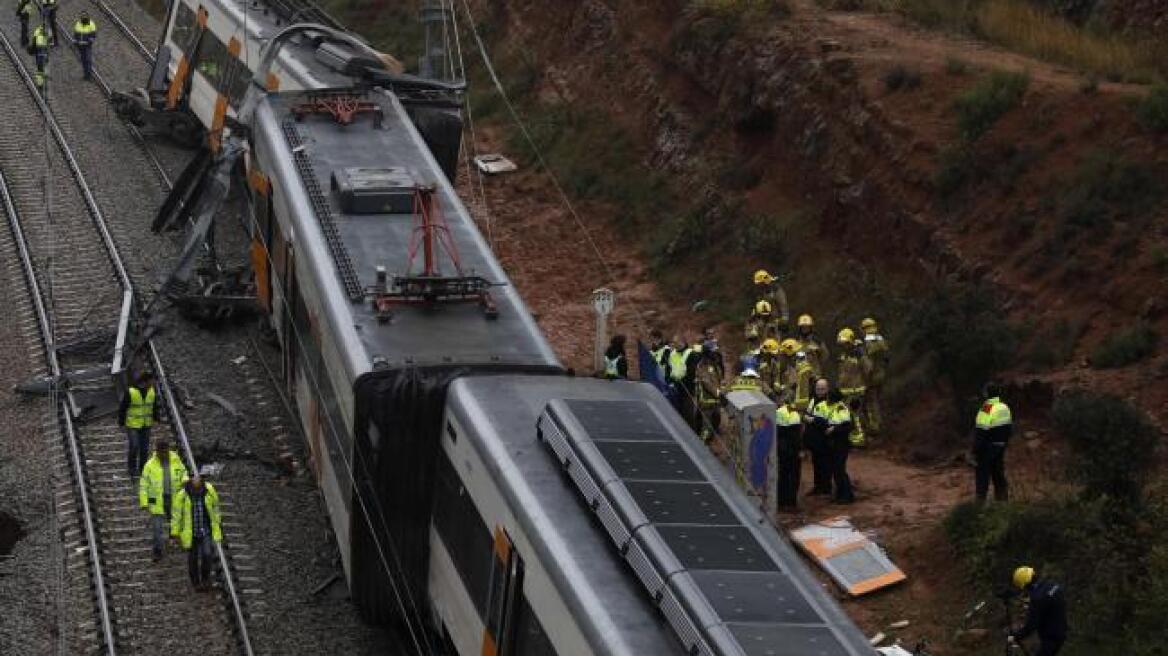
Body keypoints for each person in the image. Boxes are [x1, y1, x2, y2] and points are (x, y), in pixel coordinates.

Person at [139, 439, 189, 561]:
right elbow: (144, 484)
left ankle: (177, 540)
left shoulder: (176, 460)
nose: (163, 454)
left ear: (168, 450)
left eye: (165, 452)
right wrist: (144, 502)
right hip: (156, 501)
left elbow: (183, 472)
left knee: (177, 523)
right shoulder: (150, 465)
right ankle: (157, 550)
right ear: (157, 452)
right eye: (161, 452)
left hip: (174, 498)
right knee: (157, 528)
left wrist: (185, 480)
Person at [172, 474, 222, 591]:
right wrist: (175, 533)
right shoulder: (182, 495)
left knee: (207, 554)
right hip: (190, 532)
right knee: (193, 559)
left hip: (205, 530)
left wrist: (217, 521)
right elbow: (177, 515)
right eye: (195, 488)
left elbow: (215, 507)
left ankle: (205, 579)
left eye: (199, 488)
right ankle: (196, 582)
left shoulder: (209, 490)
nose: (197, 491)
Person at [1009, 566, 1067, 656]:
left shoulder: (1037, 599)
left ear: (1025, 585)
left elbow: (1031, 626)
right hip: (1061, 630)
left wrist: (1016, 636)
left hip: (1051, 637)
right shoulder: (1052, 585)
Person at [973, 382, 1013, 502]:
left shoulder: (986, 408)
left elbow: (981, 430)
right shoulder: (1004, 406)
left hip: (987, 447)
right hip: (1000, 446)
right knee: (998, 475)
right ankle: (1003, 502)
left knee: (982, 476)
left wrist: (976, 449)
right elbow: (1009, 427)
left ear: (986, 394)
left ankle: (980, 505)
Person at [119, 371, 160, 478]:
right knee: (134, 446)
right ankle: (132, 468)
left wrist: (157, 418)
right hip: (132, 425)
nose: (154, 383)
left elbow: (154, 406)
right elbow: (123, 408)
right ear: (145, 381)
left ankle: (143, 468)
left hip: (146, 424)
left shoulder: (152, 391)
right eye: (152, 381)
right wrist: (121, 423)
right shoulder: (131, 392)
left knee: (144, 448)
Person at [836, 329, 867, 447]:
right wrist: (838, 387)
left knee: (856, 416)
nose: (843, 346)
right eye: (842, 344)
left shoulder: (859, 355)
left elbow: (868, 369)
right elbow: (841, 374)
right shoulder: (843, 356)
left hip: (856, 392)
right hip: (845, 392)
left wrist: (862, 355)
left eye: (845, 344)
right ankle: (851, 438)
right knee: (846, 416)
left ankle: (861, 439)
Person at [801, 378, 832, 496]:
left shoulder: (829, 402)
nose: (820, 391)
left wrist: (812, 420)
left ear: (827, 389)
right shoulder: (813, 400)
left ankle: (826, 488)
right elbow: (807, 413)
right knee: (816, 463)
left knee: (825, 464)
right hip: (814, 439)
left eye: (822, 389)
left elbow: (828, 420)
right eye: (818, 389)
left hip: (824, 439)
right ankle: (818, 486)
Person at [824, 388, 856, 503]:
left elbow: (847, 426)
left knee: (839, 469)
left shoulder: (841, 408)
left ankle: (847, 495)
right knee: (835, 469)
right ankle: (840, 493)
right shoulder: (833, 408)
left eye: (828, 396)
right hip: (833, 443)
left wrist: (834, 429)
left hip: (841, 443)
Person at [860, 317, 889, 435]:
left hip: (872, 376)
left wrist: (866, 378)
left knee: (871, 401)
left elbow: (868, 365)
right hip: (881, 373)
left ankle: (876, 426)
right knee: (878, 398)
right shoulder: (881, 339)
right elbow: (887, 358)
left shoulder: (866, 342)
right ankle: (881, 422)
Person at [774, 390, 802, 510]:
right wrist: (800, 450)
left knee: (783, 474)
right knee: (793, 475)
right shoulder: (793, 413)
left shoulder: (777, 412)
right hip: (791, 449)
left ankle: (781, 501)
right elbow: (795, 435)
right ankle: (791, 503)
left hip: (781, 447)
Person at [695, 347, 723, 441]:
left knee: (715, 422)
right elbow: (707, 383)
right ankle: (701, 447)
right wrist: (719, 393)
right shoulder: (703, 366)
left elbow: (717, 381)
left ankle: (708, 443)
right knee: (706, 428)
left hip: (714, 401)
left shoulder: (714, 366)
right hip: (706, 401)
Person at [753, 270, 791, 336]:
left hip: (776, 321)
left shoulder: (776, 290)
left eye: (760, 283)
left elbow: (783, 304)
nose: (759, 285)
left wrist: (785, 319)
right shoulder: (761, 292)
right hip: (764, 320)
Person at [72, 12, 97, 80]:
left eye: (84, 16)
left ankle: (89, 75)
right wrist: (75, 41)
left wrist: (89, 42)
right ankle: (86, 75)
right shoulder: (78, 24)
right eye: (82, 16)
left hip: (87, 46)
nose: (83, 18)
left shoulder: (91, 24)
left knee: (88, 60)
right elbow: (75, 34)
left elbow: (93, 35)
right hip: (80, 46)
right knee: (83, 60)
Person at [29, 24, 49, 89]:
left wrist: (32, 50)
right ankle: (41, 81)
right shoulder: (47, 32)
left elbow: (33, 42)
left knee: (40, 67)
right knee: (42, 67)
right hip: (42, 51)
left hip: (40, 51)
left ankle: (40, 82)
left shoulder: (37, 31)